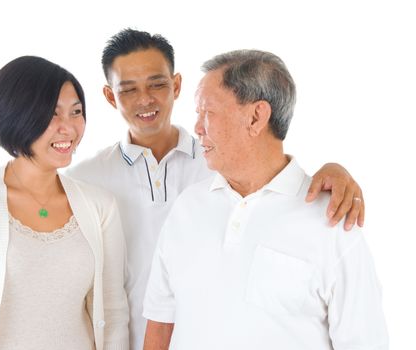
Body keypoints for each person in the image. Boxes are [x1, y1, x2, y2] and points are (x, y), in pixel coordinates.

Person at [0, 29, 365, 349]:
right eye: (127, 89)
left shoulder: (220, 166)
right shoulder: (88, 182)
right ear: (109, 96)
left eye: (157, 83)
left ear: (176, 86)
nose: (144, 100)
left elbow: (275, 174)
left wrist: (335, 171)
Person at [142, 49, 388, 349]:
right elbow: (160, 323)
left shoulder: (334, 221)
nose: (197, 128)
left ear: (256, 117)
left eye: (208, 112)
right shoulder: (187, 207)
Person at [0, 56, 129, 350]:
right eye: (53, 114)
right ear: (18, 116)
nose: (69, 128)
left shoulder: (100, 206)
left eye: (76, 112)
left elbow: (113, 314)